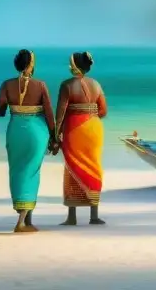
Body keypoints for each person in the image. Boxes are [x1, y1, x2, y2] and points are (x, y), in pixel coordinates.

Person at [0, 49, 55, 233]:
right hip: (36, 132)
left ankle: (26, 220)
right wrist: (54, 136)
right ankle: (22, 222)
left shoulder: (7, 84)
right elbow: (49, 113)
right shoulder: (41, 85)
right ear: (30, 65)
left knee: (17, 171)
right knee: (32, 173)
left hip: (15, 131)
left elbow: (0, 110)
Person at [53, 51, 107, 226]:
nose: (69, 66)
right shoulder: (96, 85)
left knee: (72, 168)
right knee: (94, 165)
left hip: (74, 128)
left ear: (75, 66)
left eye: (71, 63)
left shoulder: (67, 85)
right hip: (94, 127)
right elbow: (103, 111)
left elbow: (60, 113)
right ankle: (94, 215)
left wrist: (55, 134)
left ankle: (72, 216)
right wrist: (89, 114)